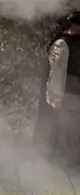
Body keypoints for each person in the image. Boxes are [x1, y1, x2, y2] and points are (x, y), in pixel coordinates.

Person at [33, 10, 80, 167]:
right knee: (65, 134)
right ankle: (63, 169)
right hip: (66, 97)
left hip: (75, 97)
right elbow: (56, 73)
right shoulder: (62, 44)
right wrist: (55, 98)